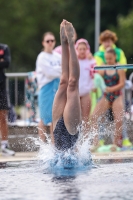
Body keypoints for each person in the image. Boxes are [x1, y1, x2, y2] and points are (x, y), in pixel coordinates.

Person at [52, 20, 81, 151]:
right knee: (70, 83)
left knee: (66, 81)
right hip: (70, 133)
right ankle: (69, 41)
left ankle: (66, 41)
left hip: (60, 133)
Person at [90, 48, 125, 149]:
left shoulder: (119, 67)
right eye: (106, 59)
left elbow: (122, 83)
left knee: (118, 120)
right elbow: (97, 79)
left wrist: (111, 89)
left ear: (115, 57)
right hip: (107, 96)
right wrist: (95, 88)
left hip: (117, 95)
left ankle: (115, 143)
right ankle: (95, 142)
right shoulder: (103, 67)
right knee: (94, 116)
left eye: (110, 58)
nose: (108, 60)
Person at [36, 32, 61, 142]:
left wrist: (57, 71)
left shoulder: (58, 56)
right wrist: (60, 70)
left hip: (57, 87)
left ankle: (54, 143)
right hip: (46, 89)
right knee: (44, 118)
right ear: (43, 43)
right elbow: (49, 73)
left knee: (55, 117)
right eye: (48, 41)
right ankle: (42, 143)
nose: (50, 43)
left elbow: (62, 70)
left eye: (52, 40)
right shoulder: (41, 57)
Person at [75, 39, 96, 126]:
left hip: (86, 92)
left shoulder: (91, 61)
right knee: (75, 117)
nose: (82, 51)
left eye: (84, 49)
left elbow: (95, 76)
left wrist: (94, 86)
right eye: (80, 49)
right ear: (77, 49)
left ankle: (86, 137)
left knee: (85, 117)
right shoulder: (74, 61)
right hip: (75, 92)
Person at [0, 43, 15, 156]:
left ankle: (4, 145)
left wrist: (3, 61)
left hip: (1, 86)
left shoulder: (4, 48)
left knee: (3, 116)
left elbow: (7, 63)